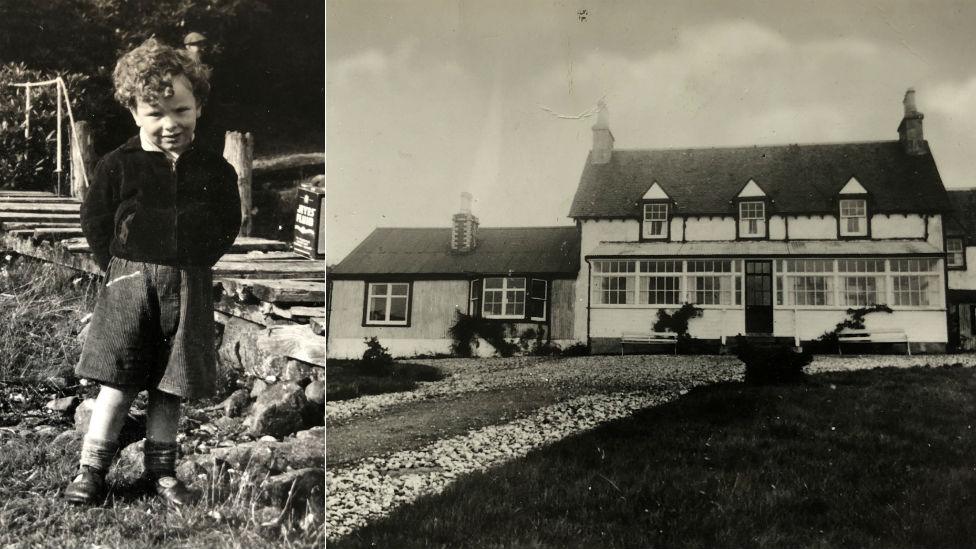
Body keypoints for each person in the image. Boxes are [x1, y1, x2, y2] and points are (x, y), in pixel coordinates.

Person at [63, 38, 241, 506]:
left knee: (171, 386)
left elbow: (228, 221)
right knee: (118, 382)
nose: (169, 124)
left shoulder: (214, 169)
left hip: (188, 283)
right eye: (155, 113)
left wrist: (198, 262)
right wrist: (116, 267)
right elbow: (95, 219)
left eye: (181, 110)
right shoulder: (118, 165)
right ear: (134, 113)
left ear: (198, 106)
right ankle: (91, 470)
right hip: (129, 284)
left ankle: (160, 473)